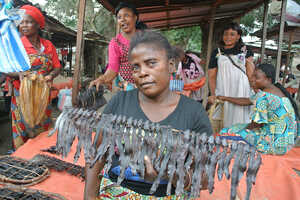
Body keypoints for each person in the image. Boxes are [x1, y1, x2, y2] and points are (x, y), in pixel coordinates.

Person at [85, 31, 212, 200]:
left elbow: (205, 178)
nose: (141, 73)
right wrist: (89, 196)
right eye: (135, 67)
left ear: (172, 65)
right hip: (117, 192)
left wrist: (173, 175)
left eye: (151, 63)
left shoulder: (194, 113)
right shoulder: (120, 102)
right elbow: (96, 155)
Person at [6, 5, 61, 149]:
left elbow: (57, 67)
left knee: (42, 128)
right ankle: (24, 160)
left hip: (43, 95)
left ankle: (41, 156)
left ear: (38, 24)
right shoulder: (16, 45)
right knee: (24, 128)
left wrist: (50, 76)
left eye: (28, 22)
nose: (24, 25)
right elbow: (5, 68)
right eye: (22, 22)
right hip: (22, 95)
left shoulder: (48, 45)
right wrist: (18, 74)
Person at [218, 64, 299, 155]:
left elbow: (255, 125)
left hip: (274, 146)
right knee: (237, 127)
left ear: (268, 80)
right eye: (252, 75)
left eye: (256, 77)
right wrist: (225, 98)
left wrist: (240, 132)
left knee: (226, 133)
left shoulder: (263, 96)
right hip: (287, 143)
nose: (252, 79)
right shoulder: (275, 91)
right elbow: (247, 101)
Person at [89, 2, 147, 91]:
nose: (122, 19)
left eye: (126, 15)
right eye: (119, 17)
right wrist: (102, 79)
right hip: (128, 89)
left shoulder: (146, 37)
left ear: (135, 18)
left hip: (148, 84)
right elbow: (113, 68)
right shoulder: (115, 43)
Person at [208, 22, 255, 128]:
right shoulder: (217, 52)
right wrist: (213, 93)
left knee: (241, 115)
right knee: (224, 117)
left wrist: (254, 89)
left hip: (242, 89)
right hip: (223, 88)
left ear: (238, 36)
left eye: (232, 34)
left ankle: (239, 140)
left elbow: (250, 72)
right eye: (226, 34)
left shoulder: (246, 50)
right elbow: (211, 75)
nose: (228, 37)